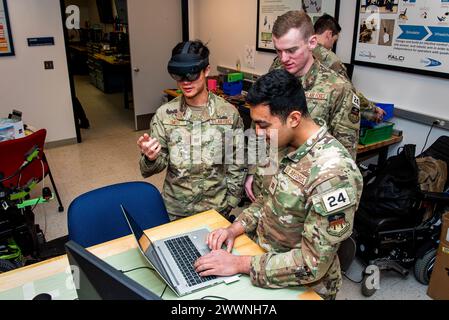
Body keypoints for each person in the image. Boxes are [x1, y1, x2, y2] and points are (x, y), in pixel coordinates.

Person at [194, 69, 363, 300]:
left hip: (303, 285)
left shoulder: (333, 173)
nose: (257, 133)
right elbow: (265, 201)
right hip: (261, 257)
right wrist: (235, 228)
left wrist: (239, 264)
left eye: (263, 125)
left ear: (293, 118)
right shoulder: (279, 144)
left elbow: (311, 264)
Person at [245, 10, 360, 202]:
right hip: (266, 182)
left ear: (312, 43)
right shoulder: (276, 74)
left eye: (291, 50)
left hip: (304, 194)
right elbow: (257, 125)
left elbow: (345, 156)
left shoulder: (338, 89)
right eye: (278, 51)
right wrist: (251, 170)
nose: (283, 58)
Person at [137, 40, 246, 221]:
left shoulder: (228, 114)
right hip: (175, 210)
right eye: (179, 76)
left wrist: (231, 201)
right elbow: (149, 169)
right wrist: (151, 157)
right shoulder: (165, 115)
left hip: (216, 209)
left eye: (192, 74)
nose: (185, 82)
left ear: (207, 70)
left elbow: (238, 161)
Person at [313, 14, 385, 123]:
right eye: (334, 40)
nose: (332, 46)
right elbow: (349, 92)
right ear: (329, 34)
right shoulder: (330, 59)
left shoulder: (297, 50)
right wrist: (373, 108)